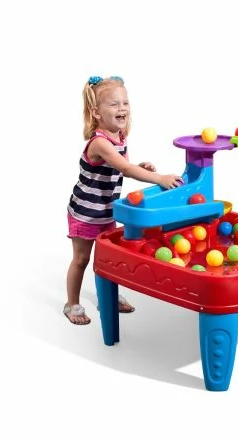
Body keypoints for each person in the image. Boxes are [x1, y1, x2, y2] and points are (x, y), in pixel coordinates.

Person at [64, 76, 183, 325]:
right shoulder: (99, 142)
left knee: (108, 259)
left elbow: (124, 167)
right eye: (114, 104)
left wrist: (140, 167)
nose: (122, 109)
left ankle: (107, 297)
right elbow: (125, 169)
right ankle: (72, 304)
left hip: (106, 210)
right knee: (82, 260)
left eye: (125, 103)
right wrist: (159, 178)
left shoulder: (120, 136)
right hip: (85, 212)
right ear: (96, 112)